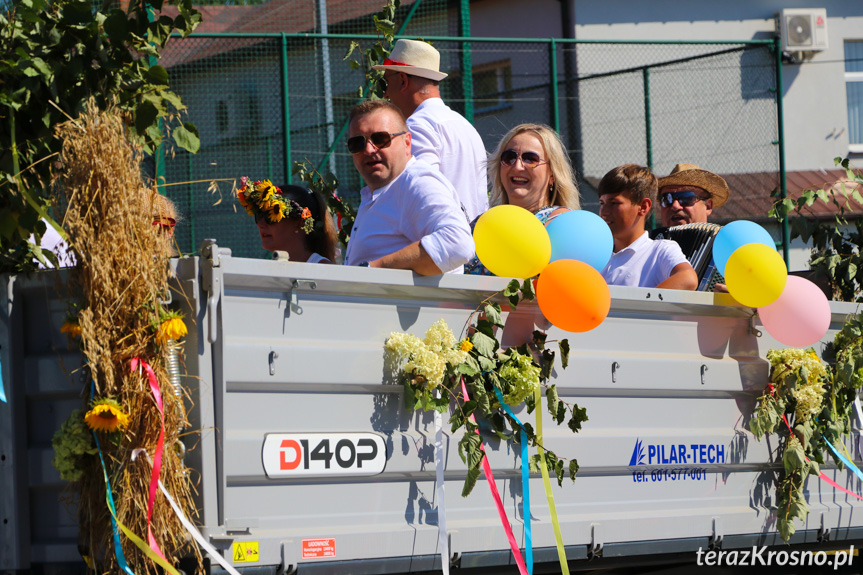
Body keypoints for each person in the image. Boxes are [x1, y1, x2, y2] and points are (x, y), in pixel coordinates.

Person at [342, 100, 473, 275]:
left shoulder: (416, 182)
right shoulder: (385, 191)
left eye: (380, 139)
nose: (369, 149)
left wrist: (374, 269)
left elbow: (458, 244)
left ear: (407, 142)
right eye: (357, 143)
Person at [374, 39, 488, 222]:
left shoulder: (417, 126)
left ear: (403, 80)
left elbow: (421, 196)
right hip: (474, 241)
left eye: (385, 82)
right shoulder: (465, 125)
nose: (385, 94)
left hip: (440, 243)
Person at [465, 123, 580, 275]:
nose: (517, 166)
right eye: (509, 157)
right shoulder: (481, 224)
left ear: (552, 174)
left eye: (530, 159)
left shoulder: (562, 225)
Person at [598, 164, 697, 290]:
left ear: (643, 207)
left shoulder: (660, 250)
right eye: (602, 203)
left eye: (614, 203)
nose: (604, 212)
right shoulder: (596, 255)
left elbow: (688, 278)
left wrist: (644, 304)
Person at [238, 178, 337, 263]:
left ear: (299, 223)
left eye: (270, 216)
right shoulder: (268, 270)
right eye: (258, 216)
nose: (260, 224)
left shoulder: (323, 269)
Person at [657, 163, 730, 228]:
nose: (675, 206)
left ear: (708, 206)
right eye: (667, 199)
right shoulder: (654, 242)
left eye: (685, 198)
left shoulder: (722, 241)